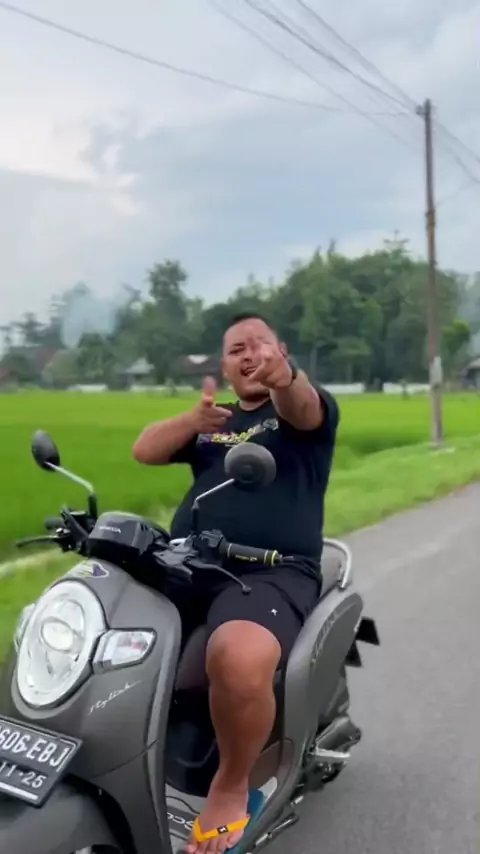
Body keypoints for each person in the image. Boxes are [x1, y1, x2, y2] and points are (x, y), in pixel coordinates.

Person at [132, 313, 339, 854]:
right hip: (191, 563)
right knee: (108, 623)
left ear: (281, 350)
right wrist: (192, 420)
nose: (248, 355)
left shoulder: (300, 412)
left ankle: (230, 786)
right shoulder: (214, 423)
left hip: (272, 570)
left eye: (258, 345)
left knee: (238, 655)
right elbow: (144, 450)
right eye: (235, 349)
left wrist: (284, 379)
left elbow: (303, 405)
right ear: (224, 366)